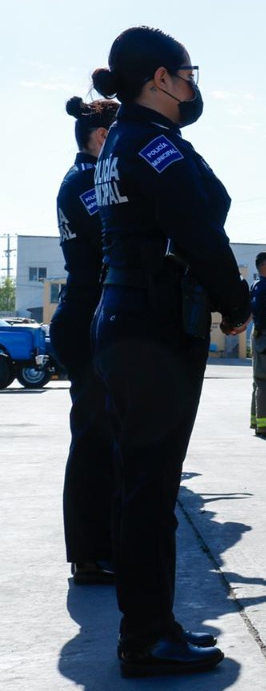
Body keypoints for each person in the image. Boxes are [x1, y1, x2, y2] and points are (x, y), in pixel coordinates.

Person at [89, 25, 249, 676]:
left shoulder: (133, 140)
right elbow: (202, 229)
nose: (193, 85)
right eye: (187, 73)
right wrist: (235, 304)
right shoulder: (153, 148)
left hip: (128, 321)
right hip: (152, 330)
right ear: (160, 77)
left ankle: (150, 627)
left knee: (144, 485)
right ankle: (147, 635)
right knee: (151, 490)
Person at [51, 94, 120, 585]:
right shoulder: (85, 184)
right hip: (85, 317)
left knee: (106, 437)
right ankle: (90, 554)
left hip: (96, 315)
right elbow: (116, 237)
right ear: (101, 138)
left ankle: (103, 544)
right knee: (94, 439)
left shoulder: (94, 179)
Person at [248, 251, 266, 439]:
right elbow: (262, 311)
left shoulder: (258, 284)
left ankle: (257, 420)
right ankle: (265, 427)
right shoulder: (264, 286)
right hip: (265, 334)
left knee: (259, 380)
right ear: (265, 266)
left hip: (260, 334)